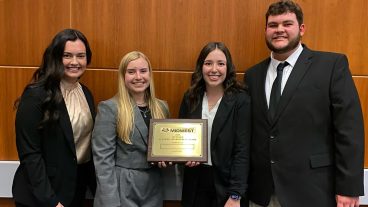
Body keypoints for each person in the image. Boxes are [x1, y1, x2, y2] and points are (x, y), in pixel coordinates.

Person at [243, 1, 364, 206]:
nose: (279, 30)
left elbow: (349, 130)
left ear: (301, 29)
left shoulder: (331, 66)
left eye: (287, 24)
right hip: (262, 194)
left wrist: (348, 188)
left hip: (313, 192)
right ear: (265, 30)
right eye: (273, 25)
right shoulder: (252, 76)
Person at [12, 29, 97, 207]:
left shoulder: (86, 93)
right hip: (41, 197)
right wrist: (51, 201)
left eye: (81, 56)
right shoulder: (35, 95)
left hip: (74, 192)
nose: (75, 62)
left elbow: (85, 147)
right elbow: (30, 155)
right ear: (56, 57)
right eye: (67, 55)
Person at [92, 51, 170, 207]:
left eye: (143, 71)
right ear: (123, 76)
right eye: (131, 72)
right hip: (121, 188)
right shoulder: (110, 108)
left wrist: (168, 159)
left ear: (150, 74)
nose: (138, 77)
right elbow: (102, 160)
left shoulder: (161, 107)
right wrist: (109, 201)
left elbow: (166, 148)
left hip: (153, 188)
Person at [179, 42, 251, 207]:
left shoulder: (241, 100)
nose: (214, 69)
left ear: (228, 67)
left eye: (221, 63)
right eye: (208, 63)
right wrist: (184, 157)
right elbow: (181, 138)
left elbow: (242, 150)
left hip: (227, 185)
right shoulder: (190, 97)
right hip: (195, 183)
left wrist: (235, 195)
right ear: (201, 67)